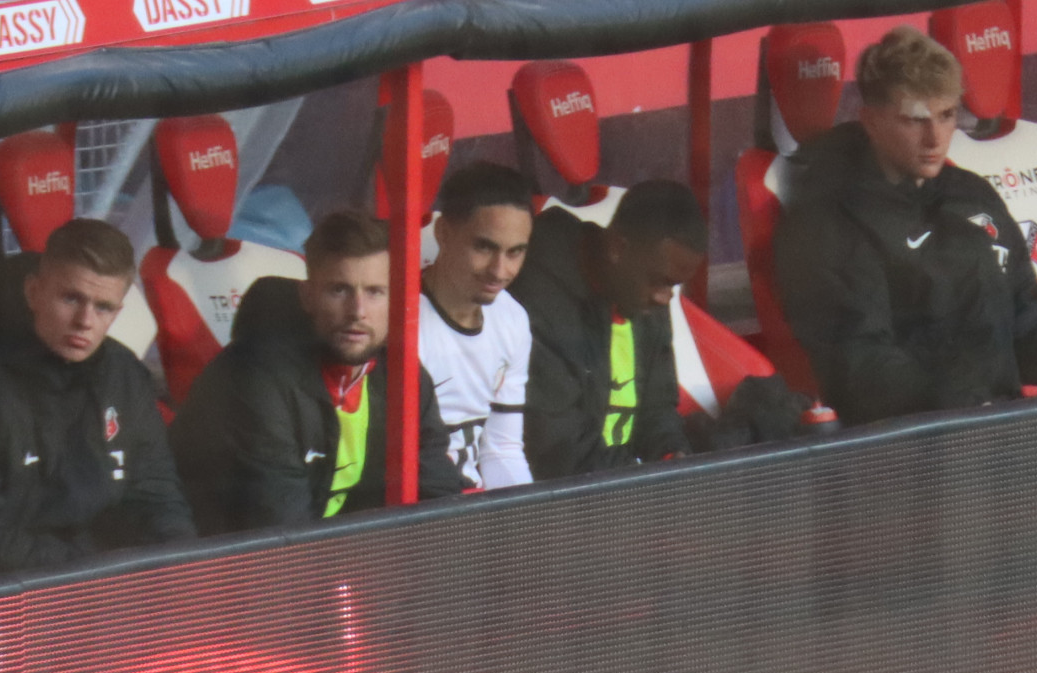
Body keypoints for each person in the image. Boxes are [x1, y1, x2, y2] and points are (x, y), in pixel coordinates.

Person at [771, 27, 1037, 426]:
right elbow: (859, 364)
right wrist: (963, 406)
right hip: (911, 442)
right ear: (871, 121)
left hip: (1001, 425)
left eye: (946, 116)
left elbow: (1025, 327)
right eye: (914, 120)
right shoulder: (829, 221)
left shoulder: (972, 195)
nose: (935, 138)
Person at [0, 218, 192, 587]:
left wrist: (176, 573)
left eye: (103, 307)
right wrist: (104, 575)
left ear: (118, 312)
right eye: (71, 298)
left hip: (92, 583)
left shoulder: (122, 374)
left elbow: (157, 494)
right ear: (33, 292)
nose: (85, 321)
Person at [170, 209, 465, 533]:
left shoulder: (402, 375)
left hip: (339, 550)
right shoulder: (255, 376)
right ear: (308, 297)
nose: (357, 311)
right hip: (236, 557)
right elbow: (282, 525)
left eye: (374, 292)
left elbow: (438, 493)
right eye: (339, 290)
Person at [513, 182, 711, 479]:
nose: (665, 298)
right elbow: (559, 450)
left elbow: (658, 408)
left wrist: (672, 455)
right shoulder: (541, 300)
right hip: (558, 493)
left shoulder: (639, 295)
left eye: (672, 286)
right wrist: (649, 481)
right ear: (618, 248)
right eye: (659, 281)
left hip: (622, 482)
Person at [421, 161, 538, 494]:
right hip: (422, 510)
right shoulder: (401, 321)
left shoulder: (512, 318)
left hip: (474, 508)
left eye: (515, 252)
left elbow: (502, 448)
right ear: (443, 233)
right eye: (484, 247)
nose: (500, 271)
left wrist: (526, 517)